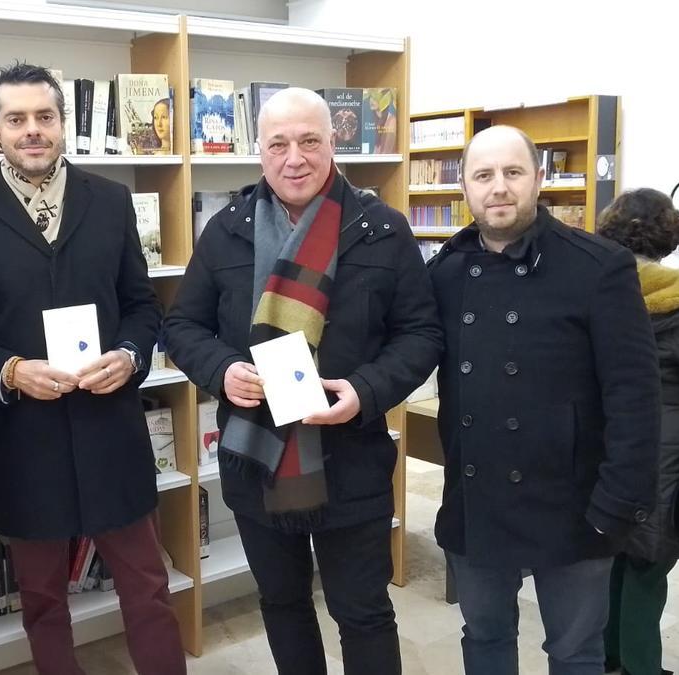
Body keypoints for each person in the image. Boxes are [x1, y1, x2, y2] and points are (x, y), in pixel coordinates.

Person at [164, 87, 442, 675]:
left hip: (353, 459)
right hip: (256, 461)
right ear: (258, 152)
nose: (295, 158)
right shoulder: (227, 230)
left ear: (333, 144)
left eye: (309, 141)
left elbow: (422, 335)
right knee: (282, 601)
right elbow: (182, 324)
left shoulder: (383, 229)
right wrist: (221, 370)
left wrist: (364, 392)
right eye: (279, 144)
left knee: (362, 610)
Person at [0, 63, 184, 675]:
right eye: (16, 119)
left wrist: (129, 355)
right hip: (27, 438)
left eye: (45, 117)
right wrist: (12, 370)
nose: (32, 131)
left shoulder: (111, 200)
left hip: (111, 427)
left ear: (63, 123)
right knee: (43, 600)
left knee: (147, 586)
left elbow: (141, 306)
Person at [427, 125, 660, 675]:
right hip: (477, 497)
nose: (498, 187)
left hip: (574, 502)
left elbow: (635, 395)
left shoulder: (599, 266)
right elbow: (404, 350)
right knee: (483, 638)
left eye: (513, 172)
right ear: (464, 186)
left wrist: (618, 503)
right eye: (483, 175)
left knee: (575, 651)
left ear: (539, 179)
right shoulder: (444, 272)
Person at [596, 188, 679, 675]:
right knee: (649, 567)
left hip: (607, 441)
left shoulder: (598, 288)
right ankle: (642, 666)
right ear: (670, 234)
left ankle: (606, 658)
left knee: (611, 555)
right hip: (666, 451)